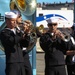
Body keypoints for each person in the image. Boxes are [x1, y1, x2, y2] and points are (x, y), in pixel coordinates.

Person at [11, 10, 33, 75]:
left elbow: (26, 44)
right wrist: (23, 32)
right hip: (16, 55)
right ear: (15, 18)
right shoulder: (11, 29)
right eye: (19, 16)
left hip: (24, 55)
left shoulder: (21, 27)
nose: (21, 18)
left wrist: (28, 33)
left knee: (29, 72)